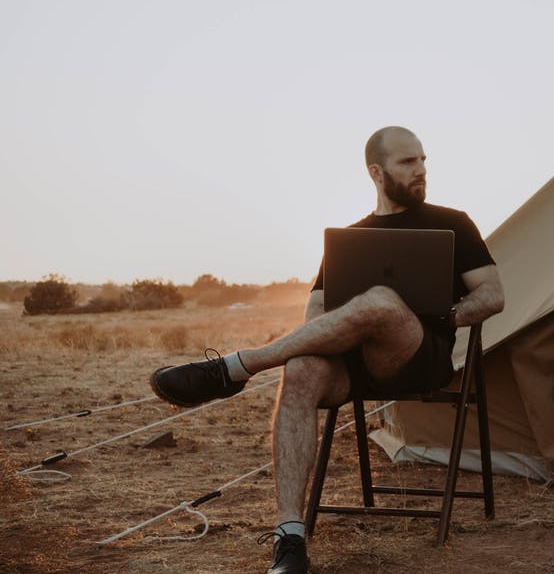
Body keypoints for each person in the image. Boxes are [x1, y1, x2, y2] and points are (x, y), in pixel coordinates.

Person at [149, 127, 504, 574]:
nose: (421, 170)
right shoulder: (350, 238)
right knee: (299, 371)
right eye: (408, 162)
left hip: (418, 357)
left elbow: (493, 295)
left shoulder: (452, 222)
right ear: (376, 172)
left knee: (381, 301)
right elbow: (315, 312)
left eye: (423, 160)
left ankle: (237, 367)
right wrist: (348, 324)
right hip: (353, 366)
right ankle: (290, 539)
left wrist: (442, 316)